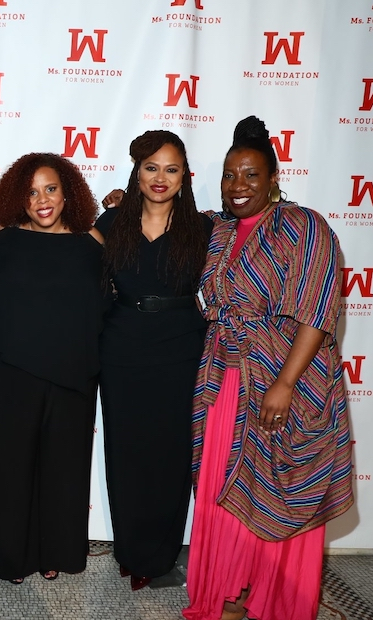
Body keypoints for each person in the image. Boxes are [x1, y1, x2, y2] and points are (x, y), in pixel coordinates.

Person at [181, 116, 353, 620]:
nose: (238, 186)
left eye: (251, 175)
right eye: (230, 175)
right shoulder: (219, 229)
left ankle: (263, 590)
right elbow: (168, 221)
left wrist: (283, 384)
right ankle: (228, 585)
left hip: (284, 379)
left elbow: (319, 311)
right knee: (226, 484)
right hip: (225, 378)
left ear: (275, 178)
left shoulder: (305, 226)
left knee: (273, 483)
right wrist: (122, 206)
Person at [0, 153, 104, 584]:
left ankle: (54, 552)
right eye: (30, 192)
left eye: (50, 189)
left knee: (63, 470)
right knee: (12, 467)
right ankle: (10, 556)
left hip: (74, 374)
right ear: (16, 197)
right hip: (15, 370)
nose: (41, 200)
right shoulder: (1, 241)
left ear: (68, 193)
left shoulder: (93, 243)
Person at [96, 131, 212, 591]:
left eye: (171, 169)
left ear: (185, 176)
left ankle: (160, 556)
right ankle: (129, 551)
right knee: (125, 452)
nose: (160, 178)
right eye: (151, 167)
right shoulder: (111, 222)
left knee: (169, 454)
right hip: (121, 347)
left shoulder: (204, 229)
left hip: (182, 349)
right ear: (136, 170)